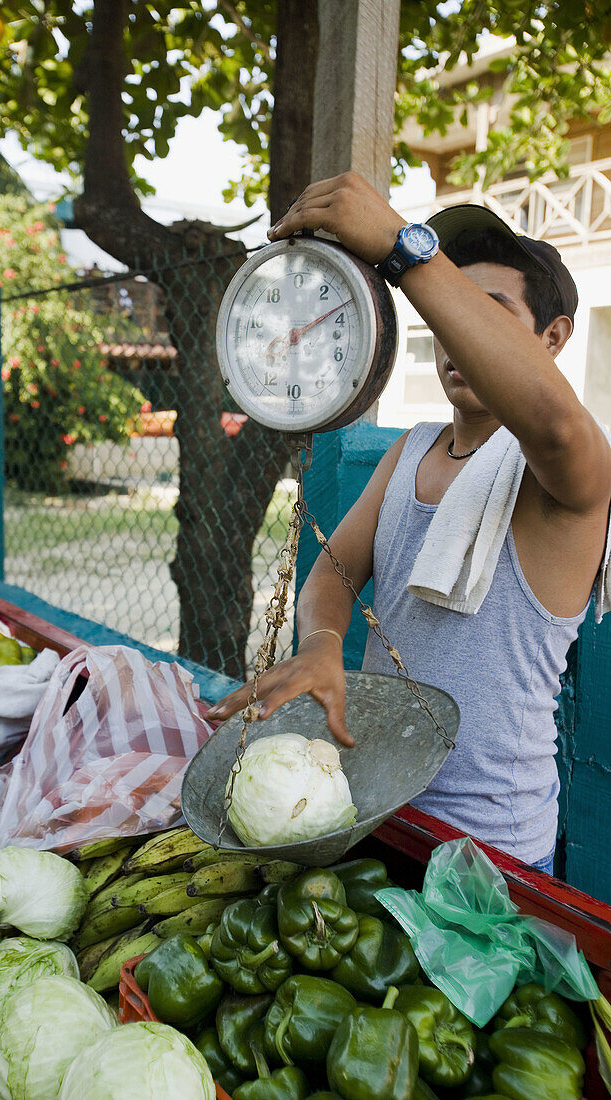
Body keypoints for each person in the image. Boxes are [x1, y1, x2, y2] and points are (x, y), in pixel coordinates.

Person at [205, 172, 611, 873]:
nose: (454, 337)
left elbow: (553, 420)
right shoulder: (412, 448)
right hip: (370, 809)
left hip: (489, 852)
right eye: (447, 316)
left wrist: (404, 248)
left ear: (551, 338)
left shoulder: (565, 477)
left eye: (484, 314)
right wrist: (322, 643)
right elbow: (333, 574)